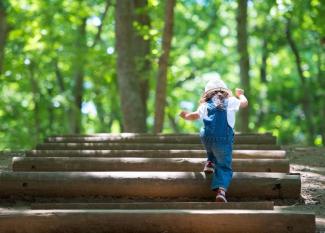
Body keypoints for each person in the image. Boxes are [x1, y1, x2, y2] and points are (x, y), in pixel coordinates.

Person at [179, 77, 248, 202]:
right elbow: (244, 103)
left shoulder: (205, 104)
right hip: (223, 140)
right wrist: (241, 95)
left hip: (207, 138)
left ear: (207, 94)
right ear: (225, 91)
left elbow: (194, 116)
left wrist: (186, 116)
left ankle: (210, 162)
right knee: (224, 166)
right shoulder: (231, 101)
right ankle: (221, 191)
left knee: (206, 137)